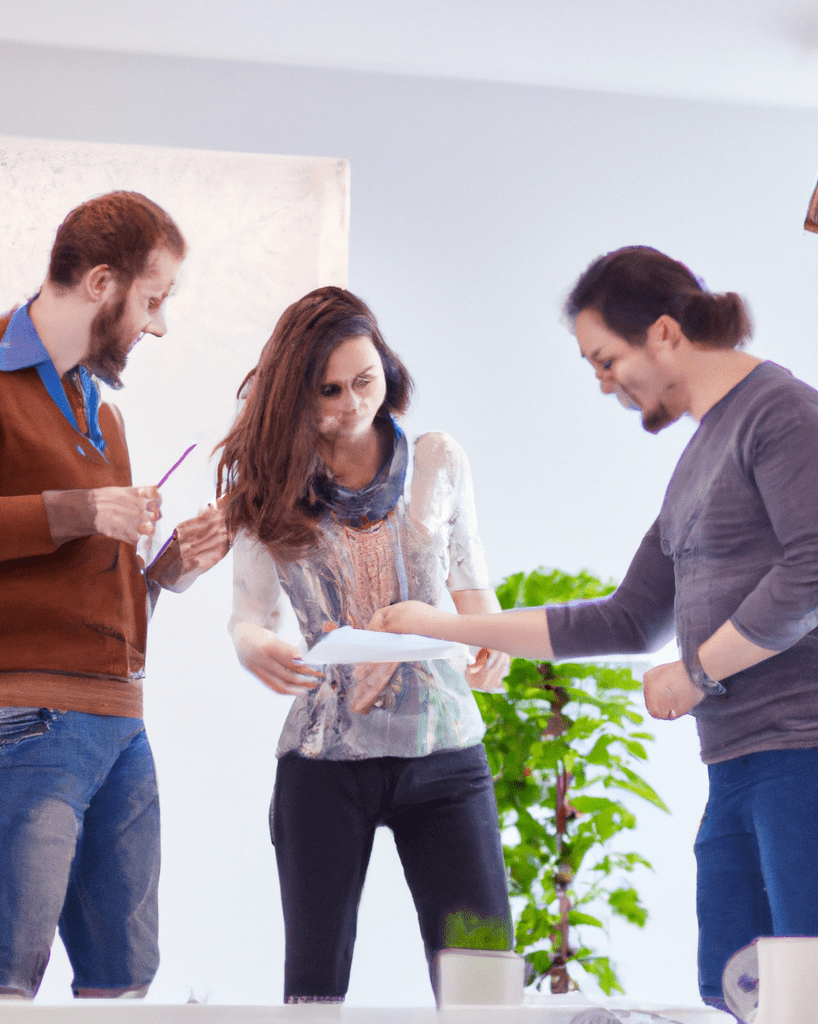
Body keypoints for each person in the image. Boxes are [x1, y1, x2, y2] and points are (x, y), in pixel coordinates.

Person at [369, 246, 818, 1024]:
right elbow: (625, 617)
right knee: (733, 979)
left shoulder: (789, 418)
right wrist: (445, 623)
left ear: (663, 333)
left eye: (606, 358)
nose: (603, 380)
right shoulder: (700, 456)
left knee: (809, 992)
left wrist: (697, 671)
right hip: (743, 759)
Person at [0, 191, 229, 999]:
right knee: (5, 969)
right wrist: (77, 510)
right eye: (154, 300)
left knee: (126, 975)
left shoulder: (102, 416)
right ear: (103, 282)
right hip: (19, 721)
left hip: (118, 724)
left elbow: (75, 578)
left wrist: (166, 572)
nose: (157, 326)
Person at [217, 286, 513, 1003]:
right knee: (315, 985)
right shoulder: (266, 485)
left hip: (443, 752)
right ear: (294, 394)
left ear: (387, 368)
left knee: (483, 981)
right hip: (324, 761)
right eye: (328, 390)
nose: (352, 403)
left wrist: (492, 639)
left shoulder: (438, 458)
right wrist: (253, 646)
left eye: (365, 381)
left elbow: (473, 579)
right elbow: (248, 615)